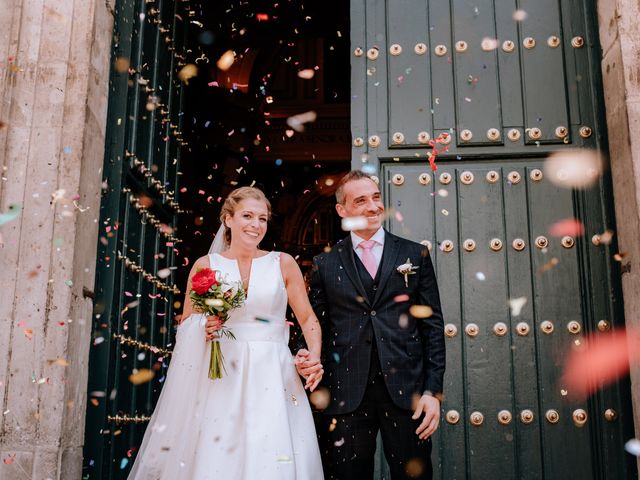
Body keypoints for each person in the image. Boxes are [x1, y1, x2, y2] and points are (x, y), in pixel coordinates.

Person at [129, 186, 324, 480]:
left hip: (273, 371)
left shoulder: (282, 263)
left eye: (262, 219)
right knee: (219, 450)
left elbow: (308, 318)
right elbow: (188, 324)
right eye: (247, 216)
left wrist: (313, 357)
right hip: (222, 374)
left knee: (271, 448)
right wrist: (203, 328)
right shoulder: (206, 266)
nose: (255, 225)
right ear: (228, 219)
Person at [296, 170, 445, 480]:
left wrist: (433, 391)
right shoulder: (326, 263)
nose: (374, 206)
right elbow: (313, 325)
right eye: (361, 200)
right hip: (346, 395)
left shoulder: (412, 254)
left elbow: (431, 327)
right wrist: (303, 354)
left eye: (376, 197)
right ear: (342, 210)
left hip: (408, 394)